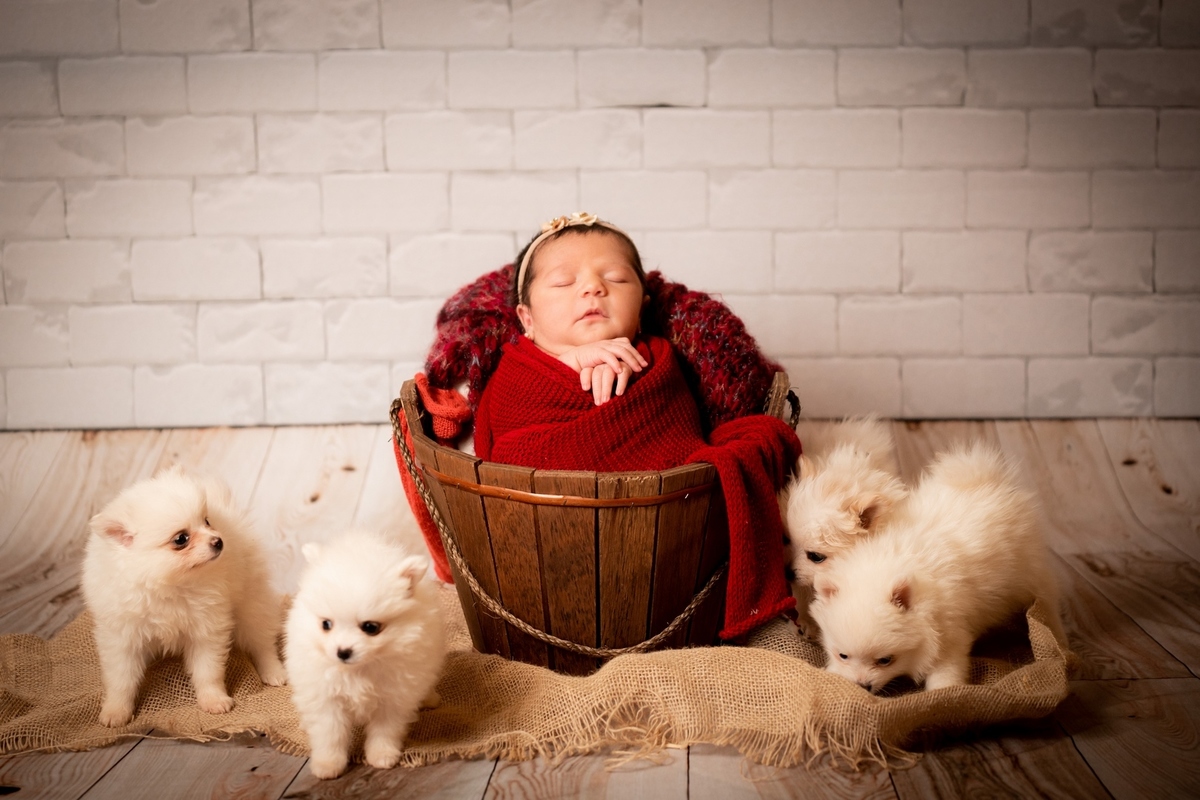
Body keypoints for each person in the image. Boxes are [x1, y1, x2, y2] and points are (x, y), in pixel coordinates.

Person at [510, 212, 650, 407]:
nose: (592, 286)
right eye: (563, 282)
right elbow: (509, 411)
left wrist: (631, 371)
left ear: (642, 311)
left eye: (615, 278)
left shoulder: (655, 358)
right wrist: (569, 364)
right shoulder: (515, 370)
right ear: (528, 320)